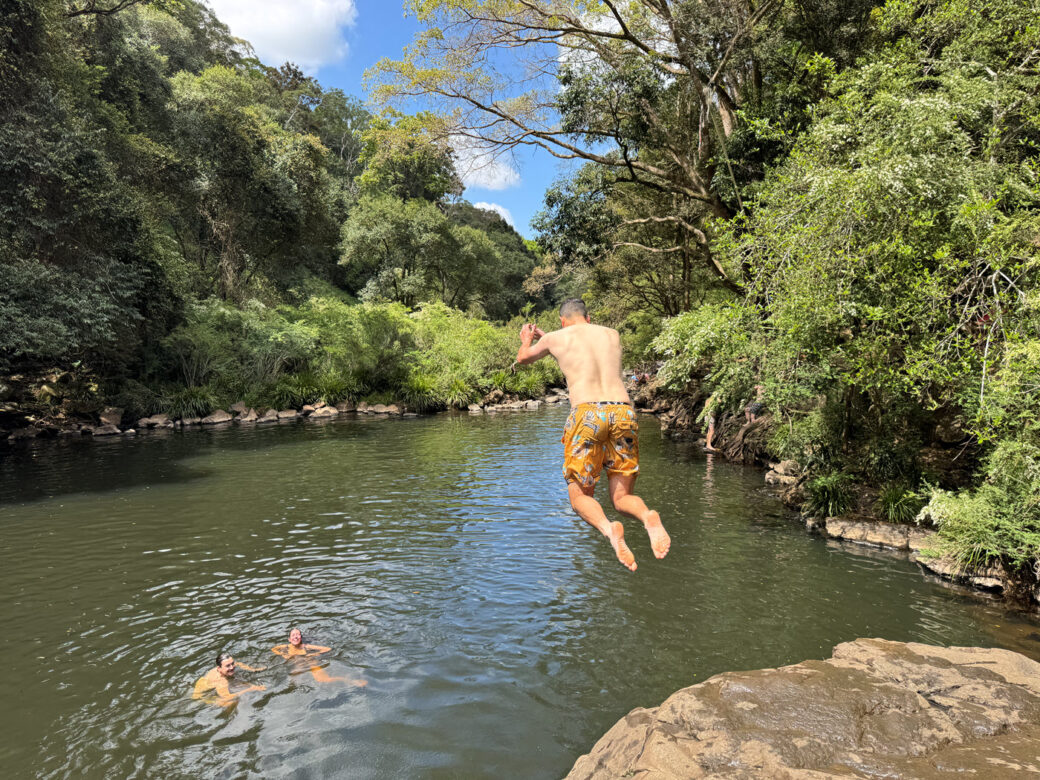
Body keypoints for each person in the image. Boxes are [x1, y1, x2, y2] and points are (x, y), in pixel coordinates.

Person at [516, 298, 670, 571]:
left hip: (587, 414)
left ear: (562, 321)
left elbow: (523, 358)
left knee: (580, 498)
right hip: (622, 411)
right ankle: (648, 517)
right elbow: (583, 345)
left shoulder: (554, 338)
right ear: (588, 318)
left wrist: (527, 339)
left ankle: (610, 530)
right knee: (621, 498)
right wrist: (550, 337)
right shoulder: (611, 334)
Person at [271, 627, 367, 687]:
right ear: (289, 639)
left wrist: (312, 654)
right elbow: (273, 649)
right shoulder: (286, 646)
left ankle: (350, 681)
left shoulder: (306, 646)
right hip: (298, 665)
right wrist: (283, 655)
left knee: (323, 680)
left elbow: (327, 649)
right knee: (294, 682)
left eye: (298, 634)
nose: (295, 636)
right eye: (293, 635)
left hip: (311, 663)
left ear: (300, 638)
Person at [192, 651, 265, 704]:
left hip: (207, 682)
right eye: (228, 666)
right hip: (201, 697)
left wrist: (253, 669)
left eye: (232, 663)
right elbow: (227, 698)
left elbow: (238, 663)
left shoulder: (225, 667)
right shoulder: (221, 681)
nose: (232, 667)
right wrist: (251, 688)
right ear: (219, 668)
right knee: (230, 703)